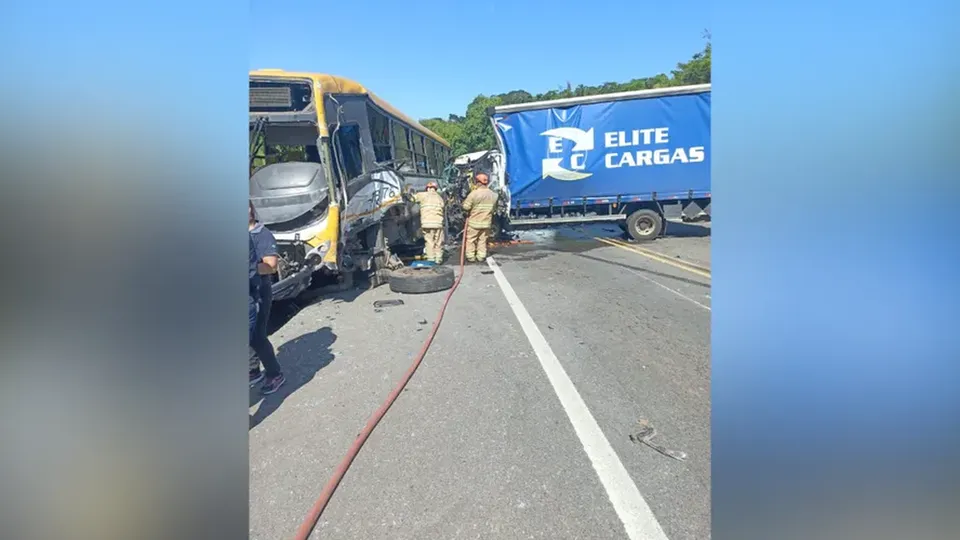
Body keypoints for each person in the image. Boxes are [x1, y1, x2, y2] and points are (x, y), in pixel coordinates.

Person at [248, 201, 285, 395]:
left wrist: (250, 268)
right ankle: (253, 370)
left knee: (258, 336)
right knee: (250, 336)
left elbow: (271, 265)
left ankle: (275, 373)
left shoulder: (262, 234)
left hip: (260, 292)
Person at [461, 173, 499, 263]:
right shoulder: (494, 195)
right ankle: (481, 257)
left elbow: (466, 207)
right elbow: (494, 209)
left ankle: (471, 257)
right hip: (486, 223)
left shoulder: (473, 194)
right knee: (482, 240)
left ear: (478, 183)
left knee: (471, 240)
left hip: (474, 223)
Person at [412, 181, 445, 264]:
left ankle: (431, 260)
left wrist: (407, 193)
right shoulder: (439, 198)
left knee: (429, 242)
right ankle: (438, 259)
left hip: (426, 223)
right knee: (438, 241)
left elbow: (412, 198)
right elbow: (443, 207)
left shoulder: (422, 195)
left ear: (427, 188)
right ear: (435, 189)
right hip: (438, 223)